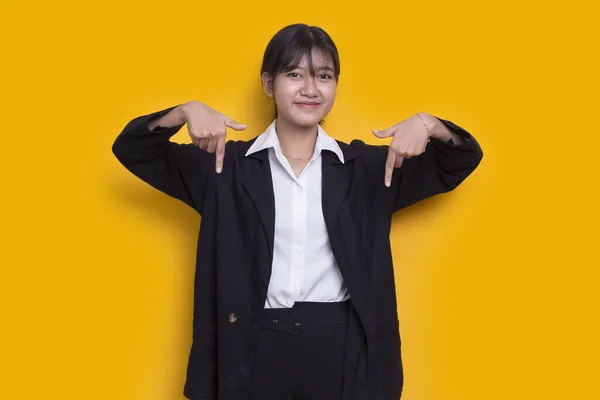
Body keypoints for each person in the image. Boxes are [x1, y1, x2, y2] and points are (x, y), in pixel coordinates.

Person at [112, 23, 483, 400]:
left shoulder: (368, 169)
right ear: (269, 84)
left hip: (342, 349)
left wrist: (429, 124)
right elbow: (133, 150)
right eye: (295, 74)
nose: (310, 88)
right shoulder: (224, 167)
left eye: (324, 76)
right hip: (252, 346)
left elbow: (458, 162)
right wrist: (183, 112)